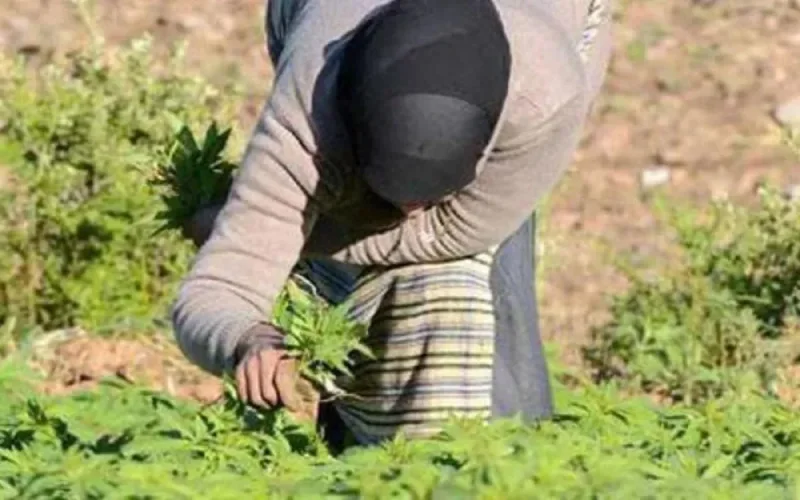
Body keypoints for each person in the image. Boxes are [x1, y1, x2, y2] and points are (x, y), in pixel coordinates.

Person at [173, 0, 613, 447]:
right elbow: (217, 289)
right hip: (321, 23)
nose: (412, 213)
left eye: (433, 195)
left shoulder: (545, 98)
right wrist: (247, 338)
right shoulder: (307, 111)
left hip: (545, 32)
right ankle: (360, 450)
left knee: (474, 275)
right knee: (338, 230)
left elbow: (454, 234)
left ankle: (502, 452)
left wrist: (294, 240)